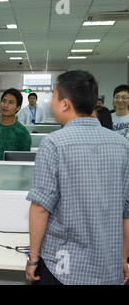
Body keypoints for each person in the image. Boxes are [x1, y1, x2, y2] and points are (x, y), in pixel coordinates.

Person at [25, 70, 129, 285]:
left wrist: (33, 258)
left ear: (65, 104)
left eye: (54, 97)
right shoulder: (123, 145)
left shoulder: (53, 143)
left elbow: (40, 208)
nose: (51, 103)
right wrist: (123, 257)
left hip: (62, 267)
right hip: (108, 265)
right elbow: (126, 211)